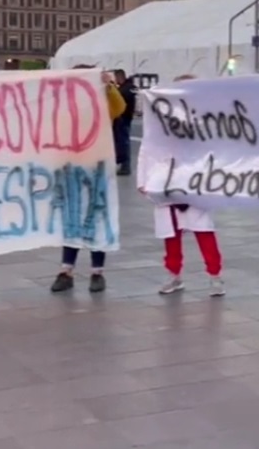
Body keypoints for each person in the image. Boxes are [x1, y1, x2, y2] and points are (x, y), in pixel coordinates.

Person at [140, 76, 225, 297]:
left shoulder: (206, 119)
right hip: (167, 184)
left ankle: (215, 276)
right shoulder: (160, 117)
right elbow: (148, 149)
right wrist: (144, 179)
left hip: (195, 185)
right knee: (171, 235)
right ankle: (174, 275)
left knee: (204, 233)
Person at [51, 68, 127, 293]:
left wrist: (109, 87)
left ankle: (97, 272)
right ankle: (66, 270)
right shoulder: (63, 106)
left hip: (98, 170)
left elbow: (119, 108)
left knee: (97, 219)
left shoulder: (103, 103)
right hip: (71, 169)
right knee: (71, 219)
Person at [113, 69, 136, 176]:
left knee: (123, 142)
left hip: (124, 118)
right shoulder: (127, 87)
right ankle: (122, 164)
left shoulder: (127, 88)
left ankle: (125, 165)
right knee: (121, 142)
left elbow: (122, 97)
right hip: (123, 118)